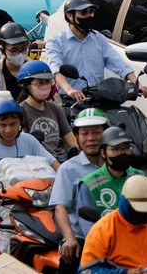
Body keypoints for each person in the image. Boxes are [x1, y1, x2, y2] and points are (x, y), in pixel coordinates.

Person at [47, 0, 141, 101]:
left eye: (90, 12)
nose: (88, 16)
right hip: (69, 101)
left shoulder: (99, 39)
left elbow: (119, 64)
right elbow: (56, 71)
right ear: (69, 15)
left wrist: (138, 84)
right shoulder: (55, 42)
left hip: (97, 100)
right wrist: (70, 90)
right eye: (83, 12)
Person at [78, 174, 147, 272]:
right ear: (125, 203)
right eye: (140, 209)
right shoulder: (102, 229)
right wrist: (124, 273)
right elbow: (88, 270)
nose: (144, 213)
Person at [53, 107, 113, 260]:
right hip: (82, 237)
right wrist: (70, 238)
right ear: (77, 137)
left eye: (96, 132)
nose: (91, 138)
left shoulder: (116, 165)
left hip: (116, 234)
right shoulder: (67, 169)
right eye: (84, 133)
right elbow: (60, 208)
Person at [14, 59, 77, 160]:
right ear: (26, 85)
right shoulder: (20, 112)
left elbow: (72, 141)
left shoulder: (56, 109)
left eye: (47, 82)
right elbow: (23, 147)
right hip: (37, 164)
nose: (44, 86)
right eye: (39, 83)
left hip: (62, 161)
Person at [0, 98, 57, 172]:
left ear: (20, 123)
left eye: (13, 124)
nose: (8, 130)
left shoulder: (30, 141)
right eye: (3, 125)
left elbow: (53, 163)